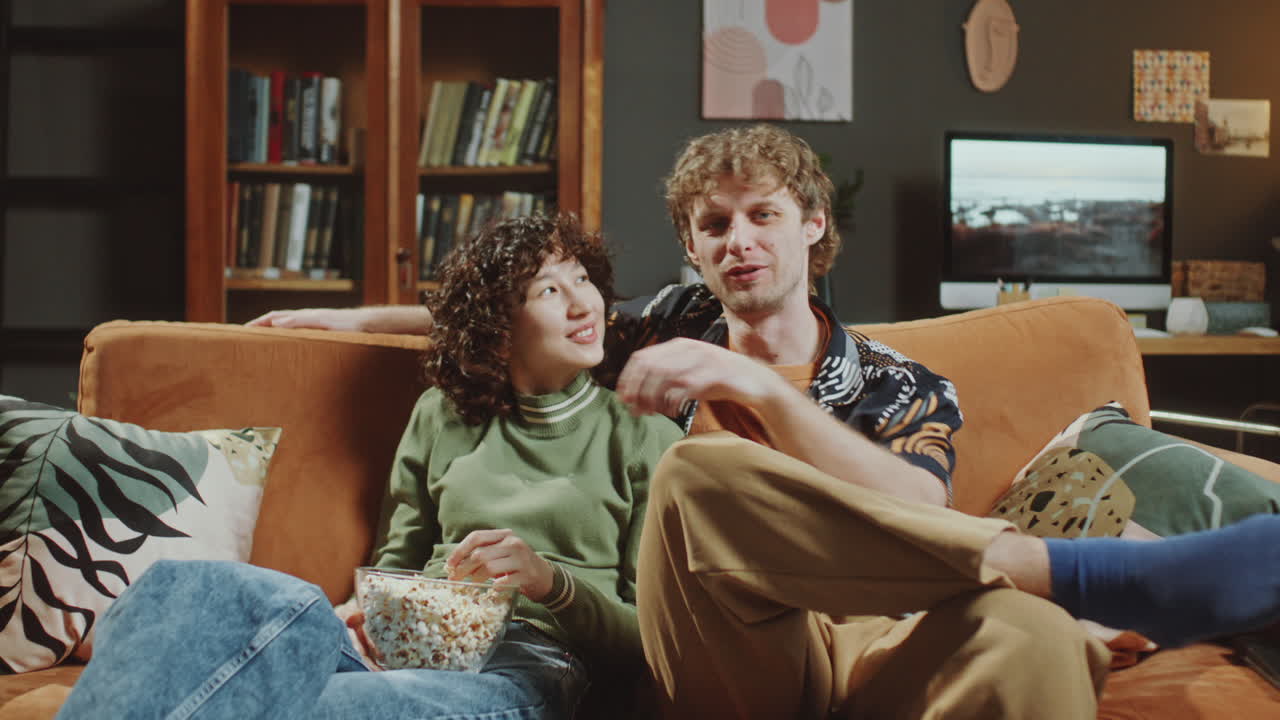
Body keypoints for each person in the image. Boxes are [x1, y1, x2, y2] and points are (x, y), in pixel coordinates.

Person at [251, 124, 1280, 719]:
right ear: (691, 252)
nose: (737, 242)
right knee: (697, 481)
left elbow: (916, 499)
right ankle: (1088, 574)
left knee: (1033, 636)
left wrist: (772, 397)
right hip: (714, 659)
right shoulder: (659, 326)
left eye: (762, 216)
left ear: (812, 226)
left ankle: (1058, 590)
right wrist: (348, 314)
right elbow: (518, 306)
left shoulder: (895, 382)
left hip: (874, 648)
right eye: (713, 226)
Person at [56, 213, 684, 720]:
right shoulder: (441, 415)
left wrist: (550, 582)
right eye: (550, 289)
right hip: (414, 642)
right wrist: (365, 618)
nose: (583, 304)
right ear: (500, 328)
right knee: (181, 585)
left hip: (534, 664)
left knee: (313, 705)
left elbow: (653, 645)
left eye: (583, 279)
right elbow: (396, 561)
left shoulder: (645, 437)